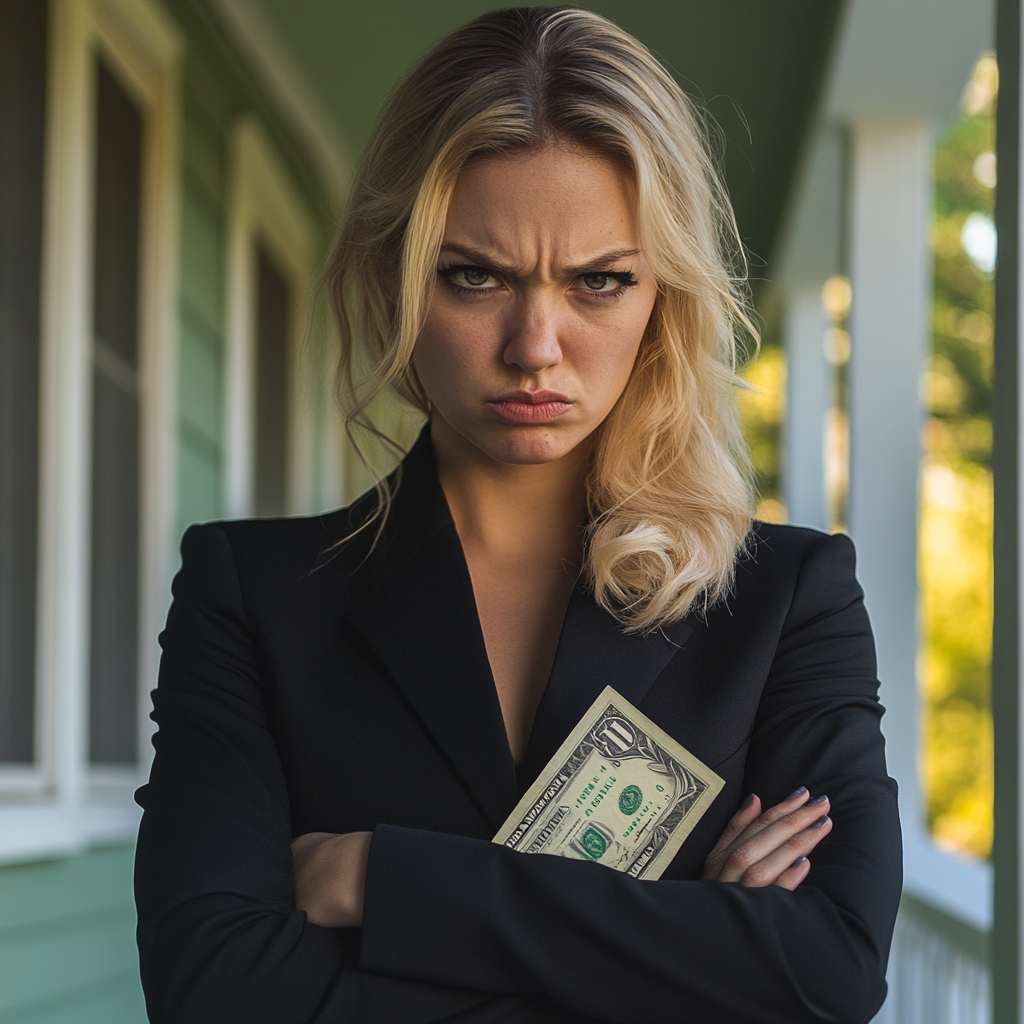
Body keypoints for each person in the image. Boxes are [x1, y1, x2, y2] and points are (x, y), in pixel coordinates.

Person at [134, 7, 902, 1023]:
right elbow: (214, 991)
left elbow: (829, 970)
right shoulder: (254, 596)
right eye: (474, 275)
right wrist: (686, 942)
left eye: (598, 282)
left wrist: (386, 882)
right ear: (395, 276)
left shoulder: (781, 602)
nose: (535, 344)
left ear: (660, 298)